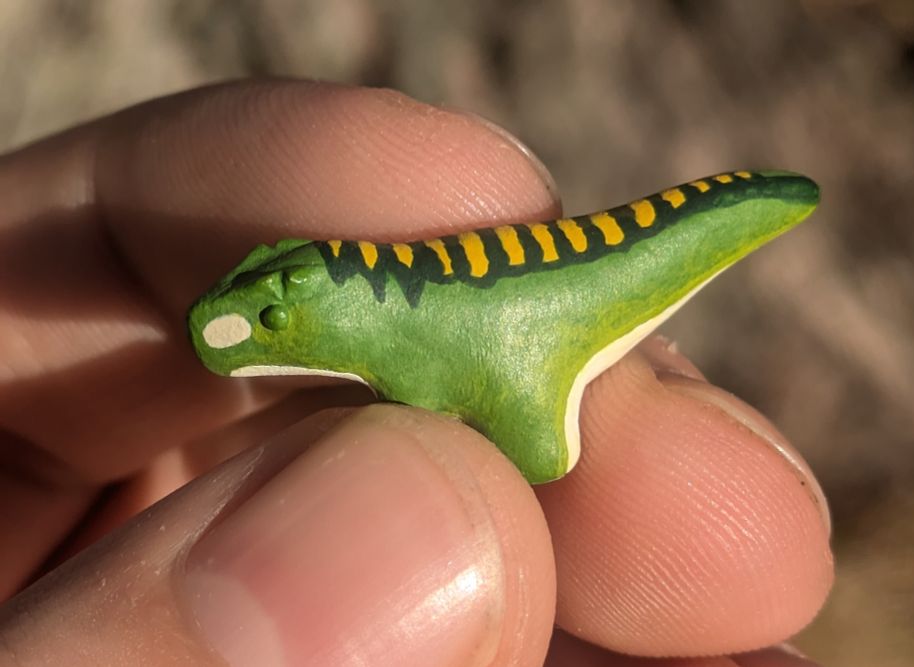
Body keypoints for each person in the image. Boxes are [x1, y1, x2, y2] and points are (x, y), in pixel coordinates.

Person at [0, 81, 832, 666]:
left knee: (536, 449)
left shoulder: (392, 345)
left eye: (270, 322)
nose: (233, 335)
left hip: (524, 341)